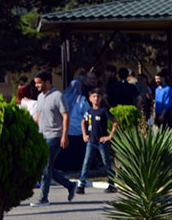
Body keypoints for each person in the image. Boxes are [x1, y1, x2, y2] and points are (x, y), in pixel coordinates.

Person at [30, 70, 77, 206]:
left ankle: (43, 198)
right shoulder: (40, 97)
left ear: (48, 82)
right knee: (45, 166)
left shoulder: (58, 96)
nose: (37, 85)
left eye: (39, 83)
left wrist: (64, 136)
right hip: (42, 136)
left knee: (46, 166)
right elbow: (38, 115)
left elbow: (65, 116)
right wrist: (31, 129)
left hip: (55, 135)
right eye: (36, 83)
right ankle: (70, 185)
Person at [77, 88, 118, 193]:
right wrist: (84, 134)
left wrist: (109, 136)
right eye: (94, 96)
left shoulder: (104, 111)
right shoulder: (89, 111)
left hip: (101, 142)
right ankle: (81, 184)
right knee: (86, 163)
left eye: (98, 97)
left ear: (101, 98)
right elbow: (83, 122)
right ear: (90, 99)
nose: (96, 99)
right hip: (91, 141)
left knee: (106, 163)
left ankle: (111, 184)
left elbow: (115, 122)